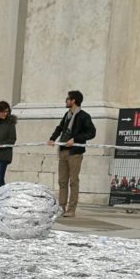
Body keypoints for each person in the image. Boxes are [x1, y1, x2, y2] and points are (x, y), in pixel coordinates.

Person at [47, 89, 96, 218]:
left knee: (73, 181)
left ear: (73, 100)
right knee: (62, 180)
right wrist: (52, 138)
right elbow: (60, 128)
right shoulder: (67, 114)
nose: (66, 100)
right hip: (63, 150)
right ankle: (61, 207)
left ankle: (71, 209)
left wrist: (75, 139)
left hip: (75, 152)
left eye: (68, 99)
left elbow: (91, 133)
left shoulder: (84, 116)